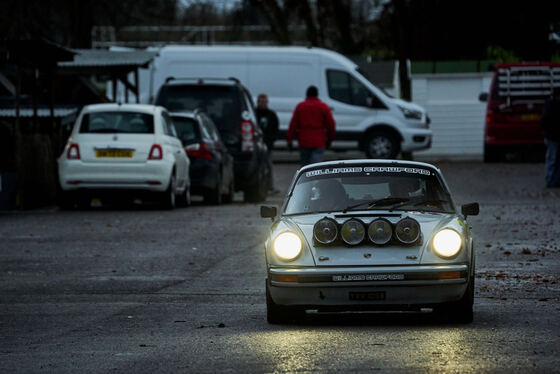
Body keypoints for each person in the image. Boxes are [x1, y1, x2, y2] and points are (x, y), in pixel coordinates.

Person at [287, 85, 336, 166]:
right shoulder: (323, 106)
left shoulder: (301, 106)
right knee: (316, 166)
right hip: (319, 140)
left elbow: (293, 124)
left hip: (304, 140)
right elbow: (331, 124)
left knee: (305, 165)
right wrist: (330, 139)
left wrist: (289, 140)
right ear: (317, 94)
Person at [255, 93, 280, 194]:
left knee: (268, 166)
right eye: (261, 102)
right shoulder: (254, 113)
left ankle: (269, 186)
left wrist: (272, 140)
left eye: (264, 102)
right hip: (256, 145)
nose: (263, 104)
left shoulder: (271, 114)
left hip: (268, 144)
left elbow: (275, 129)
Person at [540, 87, 560, 188]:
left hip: (551, 136)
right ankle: (553, 180)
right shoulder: (551, 105)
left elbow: (544, 120)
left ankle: (551, 180)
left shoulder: (549, 104)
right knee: (554, 160)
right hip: (553, 137)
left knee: (552, 160)